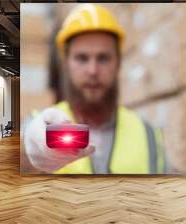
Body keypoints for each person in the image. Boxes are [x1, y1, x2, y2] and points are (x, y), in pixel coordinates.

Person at [23, 3, 165, 174]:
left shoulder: (148, 133)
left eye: (103, 58)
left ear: (118, 63)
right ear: (66, 64)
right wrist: (25, 152)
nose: (93, 71)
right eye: (82, 58)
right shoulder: (38, 126)